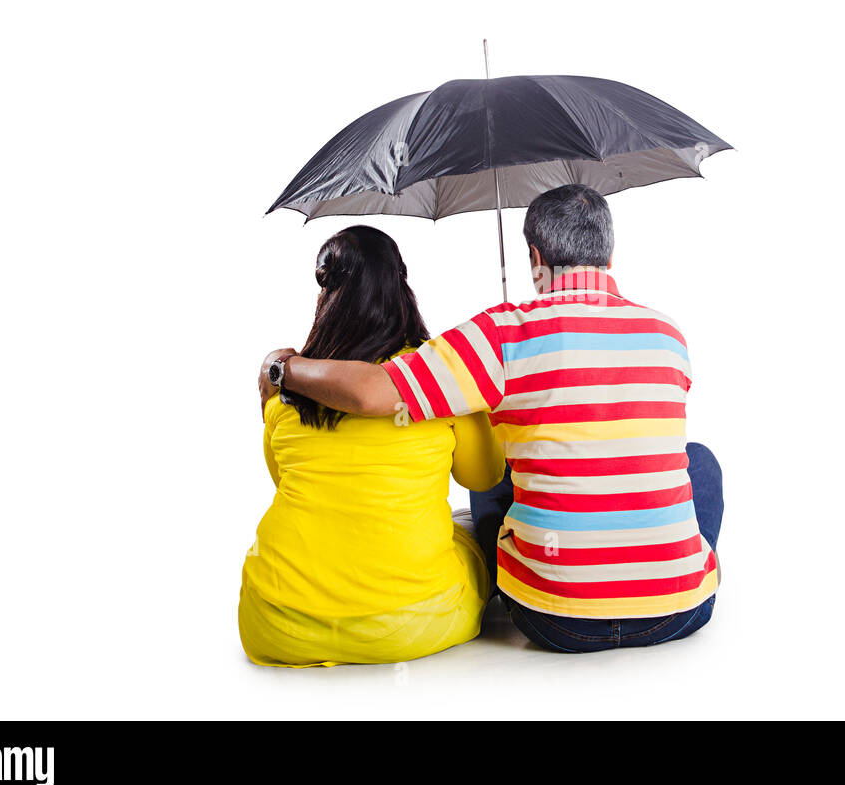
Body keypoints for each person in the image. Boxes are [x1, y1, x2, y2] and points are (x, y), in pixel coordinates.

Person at [259, 184, 723, 653]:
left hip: (553, 620)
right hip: (678, 613)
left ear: (535, 255)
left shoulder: (499, 333)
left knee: (495, 475)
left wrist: (282, 368)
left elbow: (373, 392)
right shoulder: (669, 335)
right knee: (698, 461)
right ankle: (671, 574)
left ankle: (528, 579)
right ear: (609, 251)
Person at [240, 226, 505, 666]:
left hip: (276, 621)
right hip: (415, 621)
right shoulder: (439, 380)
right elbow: (484, 477)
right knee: (472, 523)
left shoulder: (286, 391)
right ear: (401, 287)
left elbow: (283, 479)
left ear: (326, 295)